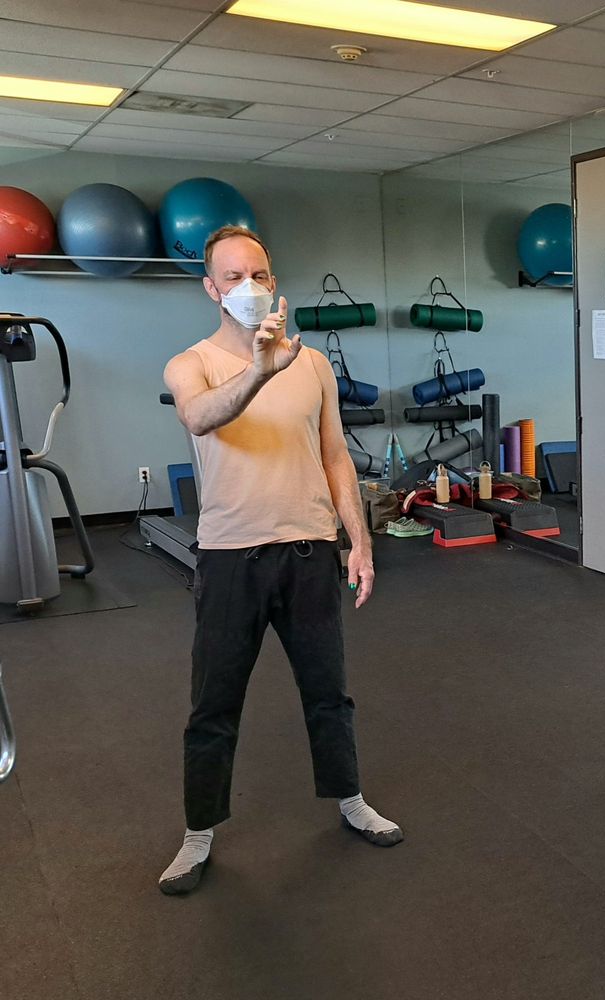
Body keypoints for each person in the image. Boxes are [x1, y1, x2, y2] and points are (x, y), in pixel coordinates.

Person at [158, 226, 401, 895]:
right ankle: (198, 834)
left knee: (329, 694)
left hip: (309, 551)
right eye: (232, 277)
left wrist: (360, 539)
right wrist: (260, 371)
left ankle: (350, 800)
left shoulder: (314, 363)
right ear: (211, 289)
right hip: (232, 559)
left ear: (274, 279)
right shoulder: (192, 363)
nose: (248, 287)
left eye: (258, 274)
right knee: (213, 705)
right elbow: (201, 417)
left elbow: (334, 456)